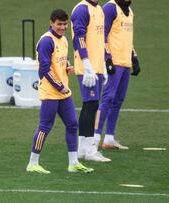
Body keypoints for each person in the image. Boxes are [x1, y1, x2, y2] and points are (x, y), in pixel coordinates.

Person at [26, 9, 94, 174]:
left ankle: (73, 163)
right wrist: (60, 86)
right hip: (51, 92)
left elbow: (61, 59)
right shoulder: (46, 42)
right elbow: (44, 69)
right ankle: (32, 163)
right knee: (45, 127)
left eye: (65, 24)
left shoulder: (63, 39)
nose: (63, 27)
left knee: (72, 125)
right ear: (51, 23)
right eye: (59, 24)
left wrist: (67, 66)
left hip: (63, 92)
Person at [94, 0, 140, 150]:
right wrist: (107, 58)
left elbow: (128, 38)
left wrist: (134, 57)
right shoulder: (110, 8)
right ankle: (94, 137)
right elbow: (103, 35)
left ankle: (109, 139)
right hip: (114, 62)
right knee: (107, 98)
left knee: (118, 100)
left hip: (125, 63)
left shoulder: (129, 11)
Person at [71, 0, 111, 162]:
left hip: (96, 68)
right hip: (87, 69)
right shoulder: (81, 9)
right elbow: (79, 38)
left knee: (90, 105)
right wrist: (87, 64)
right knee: (92, 104)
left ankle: (83, 148)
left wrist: (102, 64)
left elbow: (99, 40)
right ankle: (89, 150)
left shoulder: (99, 10)